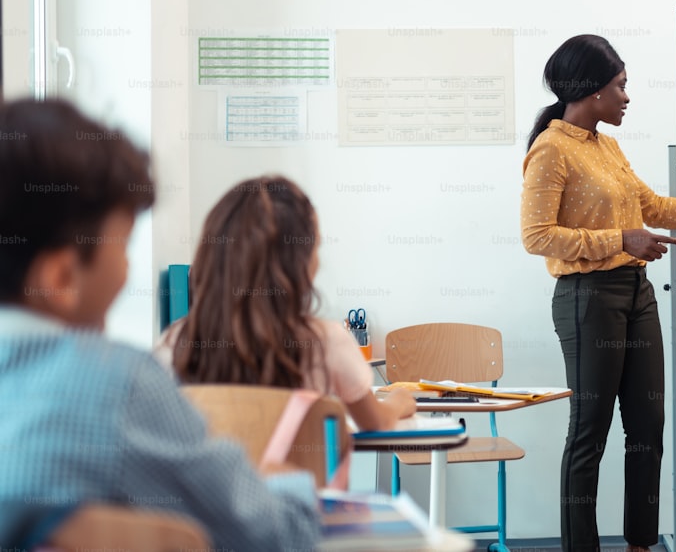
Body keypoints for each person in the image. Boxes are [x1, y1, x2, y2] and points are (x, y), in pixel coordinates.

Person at [0, 99, 318, 549]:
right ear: (63, 278)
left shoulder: (170, 345)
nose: (128, 269)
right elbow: (270, 536)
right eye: (124, 246)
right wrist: (290, 487)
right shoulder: (116, 385)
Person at [520, 34, 676, 552]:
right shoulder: (550, 149)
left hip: (636, 293)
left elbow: (653, 207)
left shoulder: (607, 146)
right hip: (587, 298)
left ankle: (640, 544)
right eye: (620, 86)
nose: (627, 96)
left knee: (648, 427)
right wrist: (620, 239)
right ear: (592, 93)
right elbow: (537, 236)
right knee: (589, 433)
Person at [154, 174, 416, 431]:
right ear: (300, 266)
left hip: (207, 477)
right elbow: (376, 423)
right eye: (315, 247)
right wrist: (398, 401)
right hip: (297, 475)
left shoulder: (174, 344)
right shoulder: (326, 341)